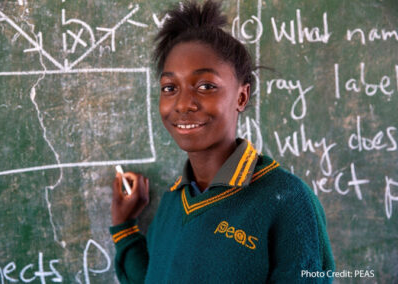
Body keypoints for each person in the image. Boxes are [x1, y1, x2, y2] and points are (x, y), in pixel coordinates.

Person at [110, 0, 335, 283]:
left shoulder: (287, 201)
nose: (182, 104)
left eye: (205, 86)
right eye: (170, 88)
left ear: (241, 97)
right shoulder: (173, 202)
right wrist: (123, 227)